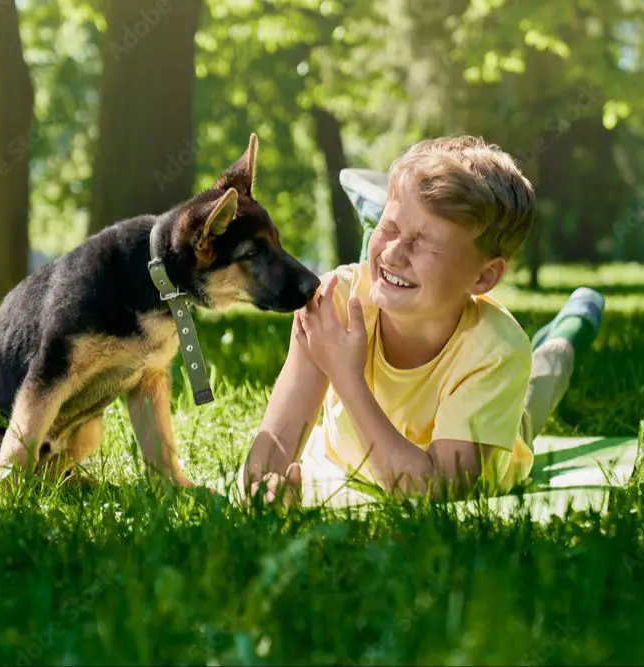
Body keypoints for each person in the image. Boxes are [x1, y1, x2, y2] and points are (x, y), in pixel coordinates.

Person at [240, 135, 605, 506]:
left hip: (493, 437)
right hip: (352, 462)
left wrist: (345, 375)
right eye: (390, 227)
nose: (394, 254)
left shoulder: (497, 352)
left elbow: (433, 490)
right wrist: (264, 487)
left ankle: (572, 326)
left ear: (483, 278)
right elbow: (278, 438)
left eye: (425, 243)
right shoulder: (335, 302)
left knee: (543, 378)